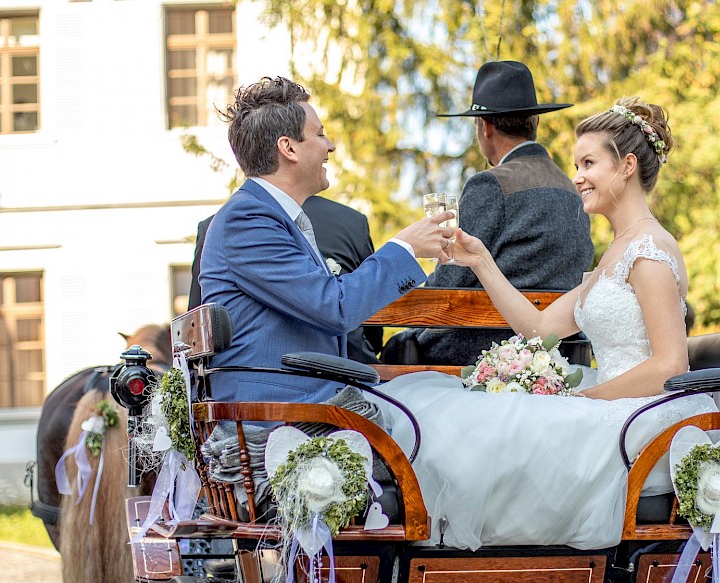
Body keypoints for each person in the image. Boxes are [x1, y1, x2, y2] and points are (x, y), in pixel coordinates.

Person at [372, 97, 718, 550]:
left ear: (627, 165)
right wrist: (480, 261)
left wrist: (583, 398)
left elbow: (670, 365)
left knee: (494, 429)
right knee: (460, 410)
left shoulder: (649, 251)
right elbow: (539, 329)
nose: (576, 176)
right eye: (576, 163)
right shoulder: (618, 250)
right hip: (609, 400)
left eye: (589, 163)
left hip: (635, 412)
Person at [198, 76, 455, 404]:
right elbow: (334, 308)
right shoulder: (247, 220)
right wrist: (406, 247)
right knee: (441, 406)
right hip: (280, 413)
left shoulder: (269, 215)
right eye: (319, 134)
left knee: (439, 397)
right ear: (288, 148)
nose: (330, 146)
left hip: (311, 400)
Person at [387, 60, 594, 366]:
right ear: (534, 123)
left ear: (484, 127)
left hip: (481, 346)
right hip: (559, 352)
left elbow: (452, 276)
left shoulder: (490, 184)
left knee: (394, 348)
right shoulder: (571, 188)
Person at [188, 195, 383, 363]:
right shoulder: (352, 221)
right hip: (354, 365)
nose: (330, 149)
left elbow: (197, 323)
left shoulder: (214, 224)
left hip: (264, 371)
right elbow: (374, 334)